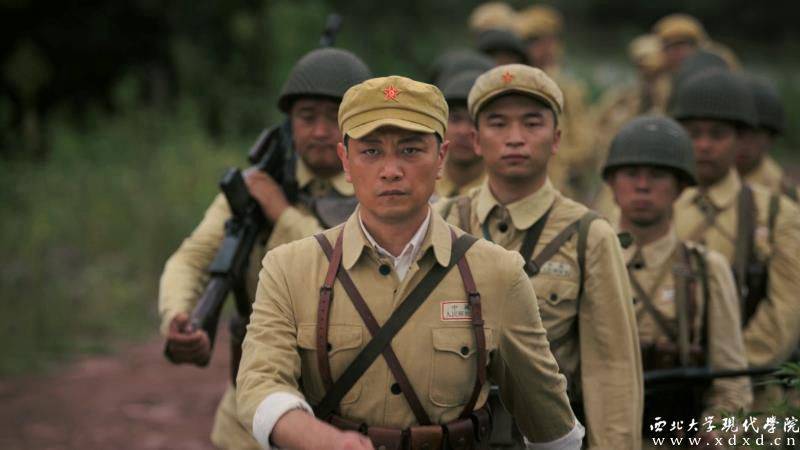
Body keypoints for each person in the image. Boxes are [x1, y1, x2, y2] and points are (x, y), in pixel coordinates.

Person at [236, 75, 585, 450]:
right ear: (345, 161)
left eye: (410, 150)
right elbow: (260, 383)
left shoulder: (497, 274)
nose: (391, 170)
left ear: (441, 159)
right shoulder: (290, 269)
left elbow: (551, 427)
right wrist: (324, 441)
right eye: (371, 151)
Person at [158, 47, 371, 450]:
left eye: (336, 116)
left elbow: (348, 270)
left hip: (348, 420)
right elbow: (191, 259)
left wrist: (281, 214)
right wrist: (178, 315)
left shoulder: (384, 186)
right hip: (249, 416)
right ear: (289, 123)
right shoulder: (254, 189)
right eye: (308, 117)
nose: (322, 130)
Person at [437, 64, 642, 450]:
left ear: (556, 138)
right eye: (498, 124)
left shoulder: (588, 235)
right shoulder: (442, 221)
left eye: (532, 124)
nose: (515, 138)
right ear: (476, 140)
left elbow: (611, 370)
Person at [603, 116, 752, 447]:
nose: (643, 185)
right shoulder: (585, 263)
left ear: (681, 186)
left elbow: (732, 382)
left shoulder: (706, 269)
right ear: (612, 183)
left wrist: (718, 431)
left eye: (657, 174)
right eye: (631, 174)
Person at [670, 69, 800, 413]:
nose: (704, 145)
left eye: (718, 134)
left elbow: (784, 315)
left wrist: (723, 371)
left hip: (751, 395)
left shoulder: (776, 213)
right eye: (693, 133)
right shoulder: (658, 205)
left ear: (739, 139)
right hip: (666, 387)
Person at [513, 5, 594, 202]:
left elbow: (585, 144)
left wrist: (559, 160)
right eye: (526, 42)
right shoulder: (512, 80)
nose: (530, 48)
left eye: (535, 41)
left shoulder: (566, 88)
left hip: (557, 187)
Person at [737, 76, 798, 202]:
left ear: (771, 139)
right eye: (740, 133)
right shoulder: (696, 186)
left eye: (755, 134)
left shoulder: (788, 197)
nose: (745, 143)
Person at [434, 70, 486, 199]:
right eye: (455, 119)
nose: (463, 131)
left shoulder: (504, 192)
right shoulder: (421, 183)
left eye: (474, 122)